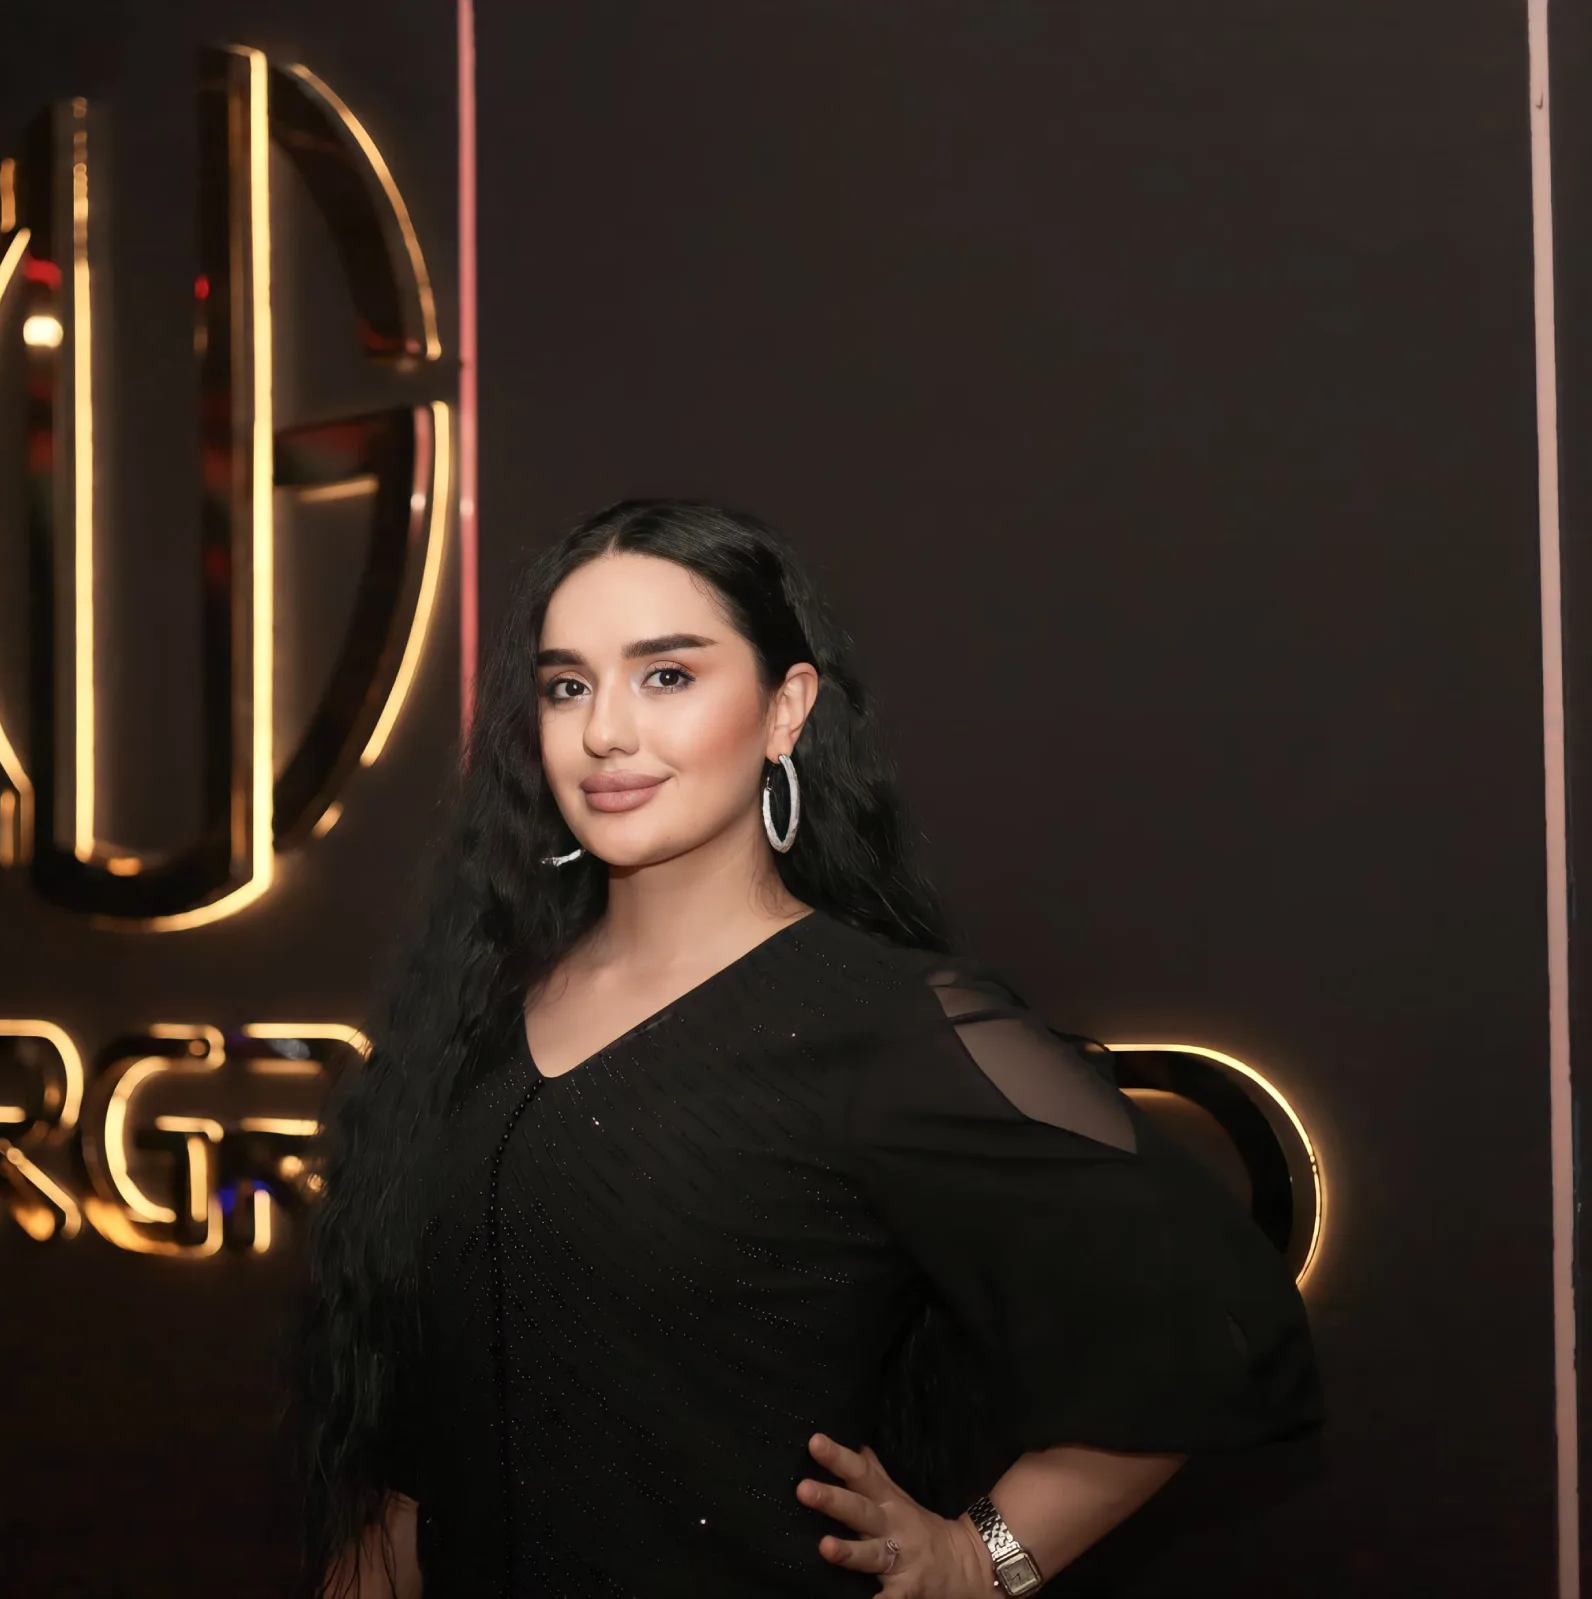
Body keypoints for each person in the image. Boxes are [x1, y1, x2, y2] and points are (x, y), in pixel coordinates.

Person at [293, 500, 1322, 1597]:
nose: (605, 732)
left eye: (667, 676)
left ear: (785, 710)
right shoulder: (483, 1012)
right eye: (567, 686)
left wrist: (981, 1561)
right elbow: (423, 1456)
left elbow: (1215, 1329)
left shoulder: (878, 1022)